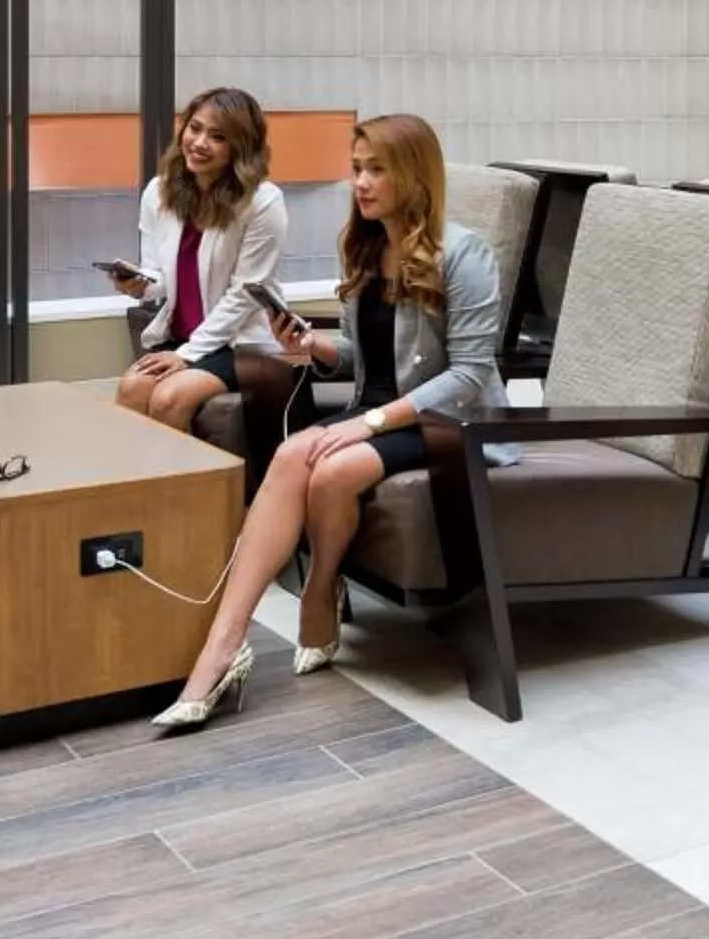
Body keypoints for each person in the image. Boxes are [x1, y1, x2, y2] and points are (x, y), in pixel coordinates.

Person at [153, 114, 508, 731]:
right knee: (294, 455)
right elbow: (361, 355)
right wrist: (313, 346)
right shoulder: (366, 245)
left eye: (377, 170)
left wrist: (372, 422)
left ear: (414, 175)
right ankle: (224, 644)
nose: (361, 183)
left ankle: (319, 592)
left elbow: (471, 374)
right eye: (357, 168)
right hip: (371, 413)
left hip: (445, 424)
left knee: (333, 466)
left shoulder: (464, 253)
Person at [108, 87, 290, 436]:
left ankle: (188, 491)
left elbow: (246, 294)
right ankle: (139, 489)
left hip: (240, 344)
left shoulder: (263, 202)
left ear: (241, 146)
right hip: (181, 336)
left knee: (170, 399)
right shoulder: (159, 193)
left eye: (218, 136)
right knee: (131, 388)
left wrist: (188, 354)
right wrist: (139, 283)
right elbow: (160, 277)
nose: (200, 142)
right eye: (195, 128)